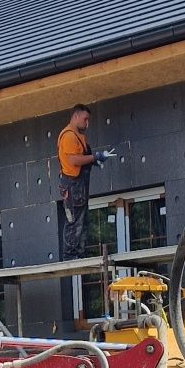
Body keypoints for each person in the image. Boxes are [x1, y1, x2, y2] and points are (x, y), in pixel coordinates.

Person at [57, 104, 101, 259]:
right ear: (75, 116)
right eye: (85, 119)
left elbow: (81, 158)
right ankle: (70, 255)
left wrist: (93, 160)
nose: (87, 123)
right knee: (74, 220)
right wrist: (94, 157)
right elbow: (74, 160)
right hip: (72, 184)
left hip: (77, 184)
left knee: (81, 219)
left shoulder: (79, 137)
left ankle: (80, 253)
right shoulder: (69, 136)